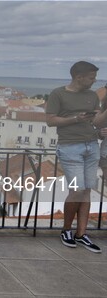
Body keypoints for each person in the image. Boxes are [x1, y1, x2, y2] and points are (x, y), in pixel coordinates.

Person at [46, 61, 101, 253]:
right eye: (91, 77)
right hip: (70, 146)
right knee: (77, 190)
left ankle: (81, 233)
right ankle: (66, 229)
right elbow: (51, 120)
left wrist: (101, 131)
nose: (94, 81)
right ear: (79, 77)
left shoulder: (92, 96)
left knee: (87, 190)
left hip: (92, 145)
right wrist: (76, 119)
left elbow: (95, 121)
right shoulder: (58, 94)